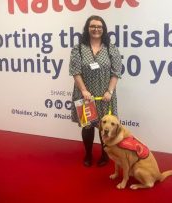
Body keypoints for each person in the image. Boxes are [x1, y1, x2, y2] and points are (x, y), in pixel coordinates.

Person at [69, 15, 122, 167]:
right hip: (85, 94)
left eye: (99, 27)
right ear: (87, 28)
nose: (96, 29)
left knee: (104, 127)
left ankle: (105, 155)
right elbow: (75, 71)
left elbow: (116, 72)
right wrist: (84, 91)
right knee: (87, 127)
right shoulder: (78, 48)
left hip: (105, 95)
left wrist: (109, 92)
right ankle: (88, 154)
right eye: (93, 26)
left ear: (103, 29)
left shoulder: (111, 48)